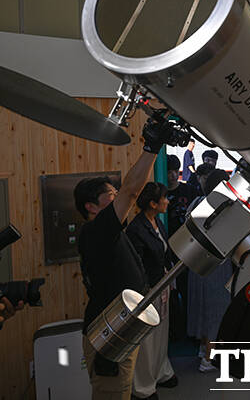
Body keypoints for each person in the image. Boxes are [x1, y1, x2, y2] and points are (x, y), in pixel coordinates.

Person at [74, 119, 169, 400]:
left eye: (116, 194)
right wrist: (152, 147)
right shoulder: (96, 231)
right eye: (111, 195)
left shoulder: (110, 233)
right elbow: (131, 191)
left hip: (122, 329)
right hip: (109, 334)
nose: (118, 198)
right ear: (91, 207)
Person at [126, 183, 177, 399]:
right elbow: (135, 265)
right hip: (148, 291)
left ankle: (161, 372)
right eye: (164, 198)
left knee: (161, 334)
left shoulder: (156, 222)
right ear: (153, 204)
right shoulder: (136, 229)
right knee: (147, 340)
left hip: (162, 286)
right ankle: (143, 386)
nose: (167, 202)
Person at [185, 169, 235, 373]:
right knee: (216, 312)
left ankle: (203, 348)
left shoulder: (196, 202)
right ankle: (209, 359)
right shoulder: (225, 208)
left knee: (201, 309)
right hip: (217, 267)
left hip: (196, 265)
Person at [165, 154, 198, 341]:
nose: (171, 175)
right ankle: (176, 330)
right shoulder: (161, 193)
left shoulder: (189, 190)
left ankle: (190, 329)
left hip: (190, 248)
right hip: (169, 250)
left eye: (174, 171)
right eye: (168, 171)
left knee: (189, 290)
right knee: (171, 293)